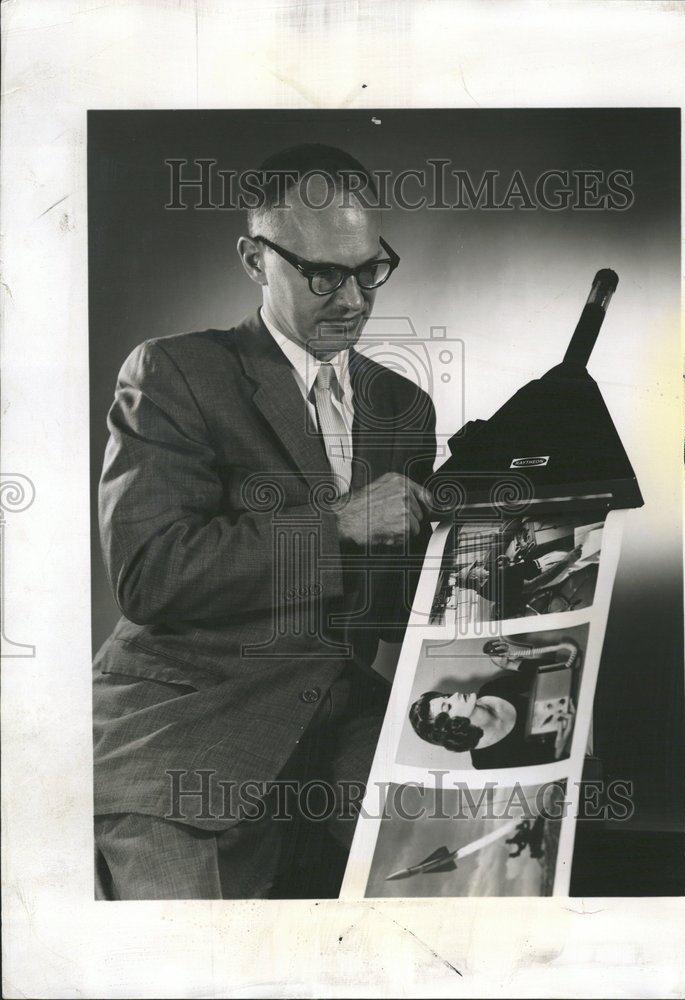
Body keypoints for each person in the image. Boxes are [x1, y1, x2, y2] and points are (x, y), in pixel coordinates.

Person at [92, 143, 437, 899]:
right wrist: (338, 525)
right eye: (321, 276)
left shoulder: (402, 407)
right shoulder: (175, 372)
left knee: (456, 876)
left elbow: (386, 607)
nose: (350, 300)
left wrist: (477, 550)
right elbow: (151, 576)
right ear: (254, 260)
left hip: (338, 718)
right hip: (184, 722)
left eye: (368, 269)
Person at [408, 638, 578, 769]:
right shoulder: (485, 762)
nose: (456, 695)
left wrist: (512, 664)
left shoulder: (492, 689)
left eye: (446, 696)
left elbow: (558, 669)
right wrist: (560, 747)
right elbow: (549, 774)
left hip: (578, 705)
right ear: (450, 727)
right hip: (576, 749)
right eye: (448, 706)